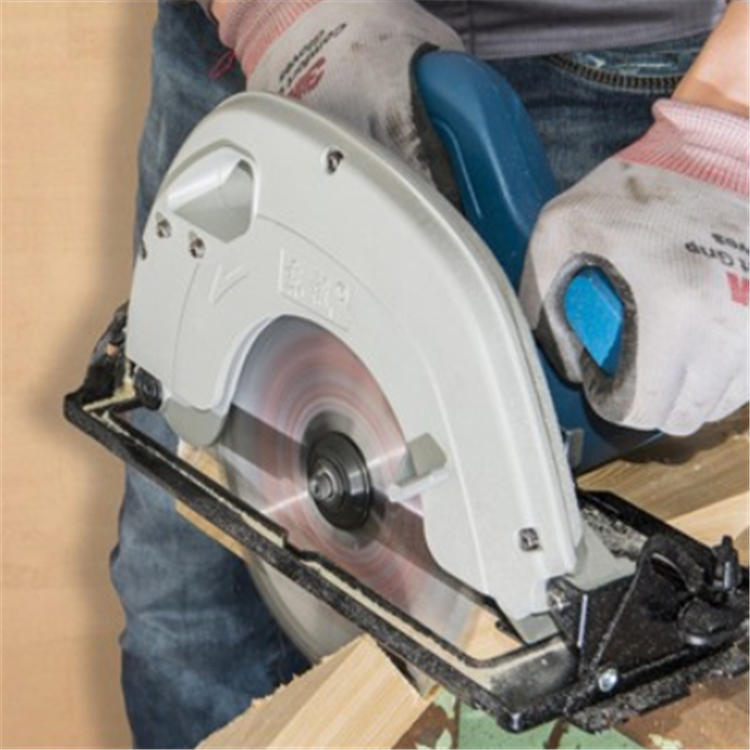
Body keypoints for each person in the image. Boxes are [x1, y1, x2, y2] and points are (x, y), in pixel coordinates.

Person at [110, 1, 749, 746]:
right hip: (255, 49)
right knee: (188, 621)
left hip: (618, 64)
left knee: (550, 671)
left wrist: (726, 130)